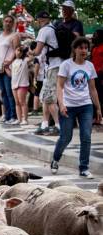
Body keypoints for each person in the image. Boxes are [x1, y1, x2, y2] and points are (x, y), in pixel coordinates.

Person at [51, 37, 101, 178]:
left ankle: (84, 168)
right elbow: (59, 86)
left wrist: (98, 108)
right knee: (66, 137)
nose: (84, 50)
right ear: (75, 49)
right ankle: (55, 159)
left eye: (86, 48)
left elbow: (93, 89)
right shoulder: (66, 65)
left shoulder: (89, 66)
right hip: (68, 106)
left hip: (86, 105)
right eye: (81, 47)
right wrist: (61, 104)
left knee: (86, 136)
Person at [32, 11, 61, 135]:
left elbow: (37, 51)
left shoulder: (44, 31)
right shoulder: (53, 28)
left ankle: (59, 126)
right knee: (45, 97)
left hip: (53, 67)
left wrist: (30, 52)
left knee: (49, 99)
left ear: (39, 20)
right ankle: (44, 124)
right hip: (51, 67)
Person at [0, 15, 20, 125]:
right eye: (6, 21)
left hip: (8, 68)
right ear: (3, 22)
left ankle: (13, 116)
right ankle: (7, 114)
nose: (8, 23)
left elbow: (17, 50)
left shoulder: (15, 36)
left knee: (10, 92)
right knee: (3, 93)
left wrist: (10, 60)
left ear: (13, 23)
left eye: (10, 21)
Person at [11, 46, 32, 125]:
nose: (18, 52)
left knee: (22, 102)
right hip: (14, 84)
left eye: (20, 51)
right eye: (17, 50)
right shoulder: (13, 62)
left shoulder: (25, 61)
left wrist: (28, 51)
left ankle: (25, 119)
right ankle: (19, 119)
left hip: (22, 84)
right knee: (17, 102)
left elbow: (32, 57)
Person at [92, 30, 103, 124]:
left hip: (101, 75)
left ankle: (98, 117)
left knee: (100, 96)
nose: (93, 37)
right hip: (94, 75)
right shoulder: (94, 48)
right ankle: (95, 117)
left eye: (95, 35)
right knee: (94, 96)